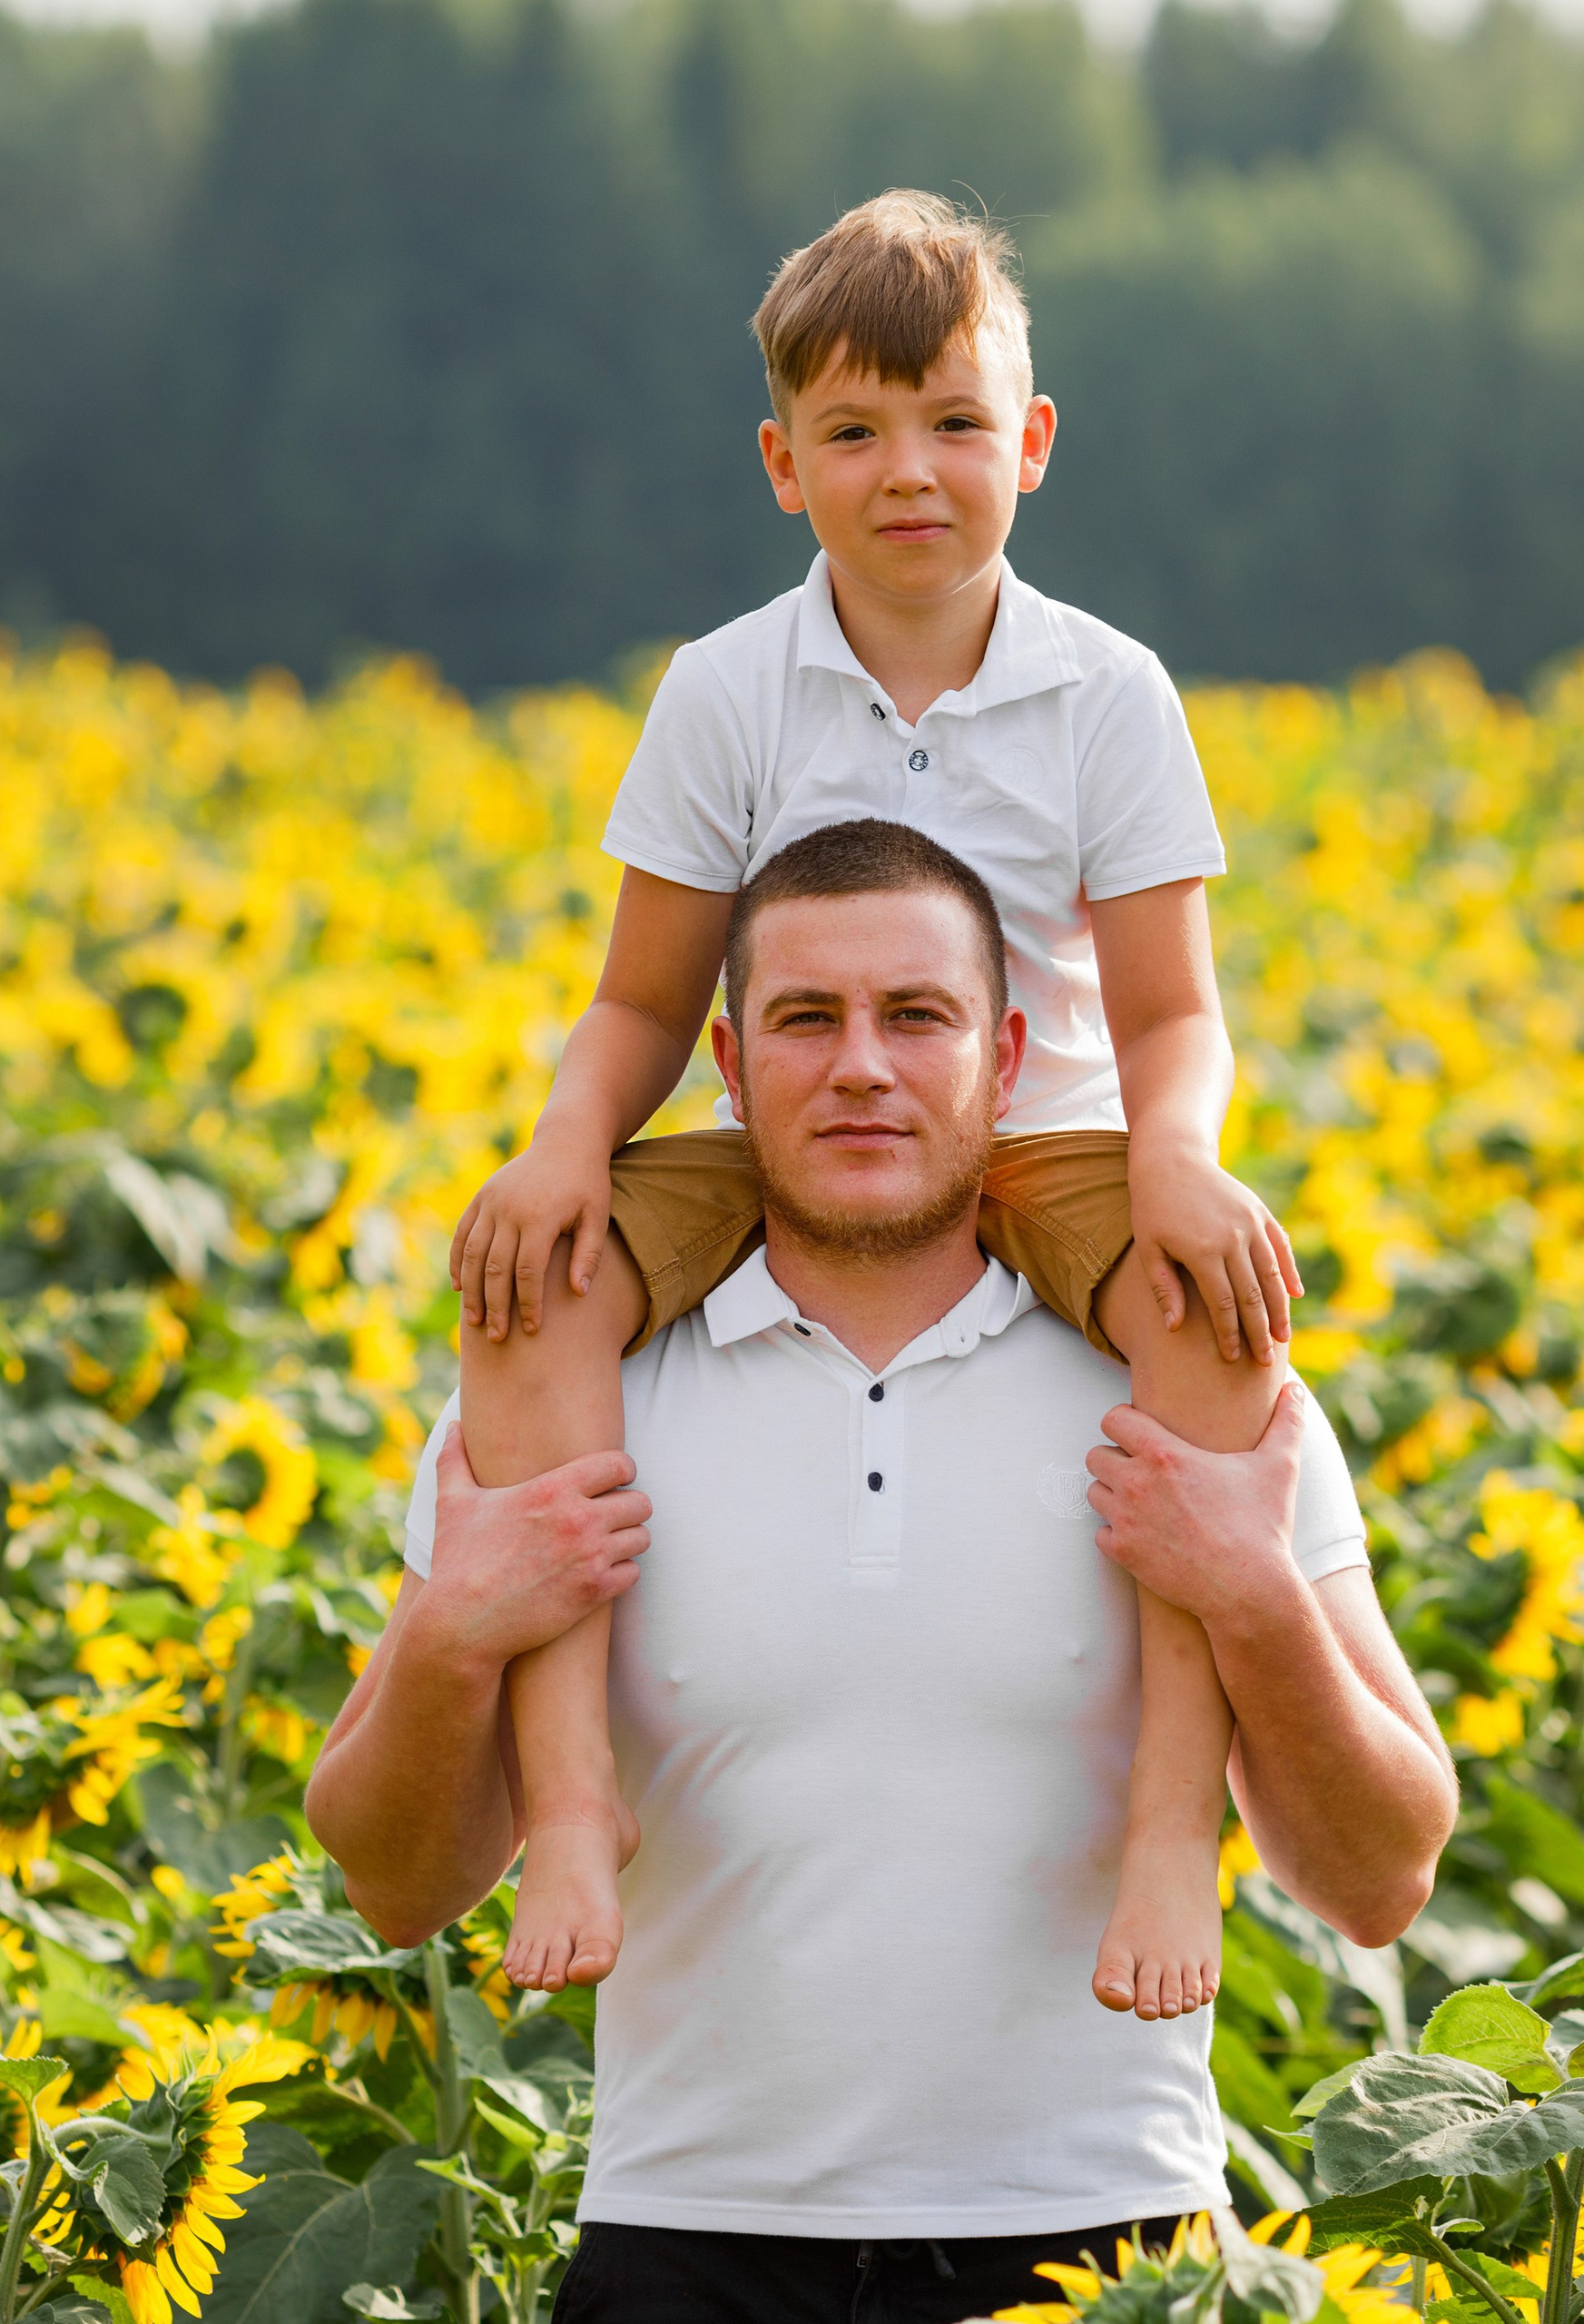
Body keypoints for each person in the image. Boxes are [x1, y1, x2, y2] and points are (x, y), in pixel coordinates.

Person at [306, 822, 1457, 2324]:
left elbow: (1384, 1879)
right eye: (807, 1019)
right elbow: (392, 1885)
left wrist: (1254, 1592)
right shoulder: (571, 1397)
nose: (861, 1066)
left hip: (1108, 2239)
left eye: (917, 1017)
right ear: (727, 1060)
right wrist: (455, 1631)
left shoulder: (1186, 1385)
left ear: (1009, 1053)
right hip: (683, 2243)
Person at [447, 189, 1304, 2014]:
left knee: (1210, 1320)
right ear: (780, 463)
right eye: (851, 430)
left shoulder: (1108, 693)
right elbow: (640, 997)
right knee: (531, 1283)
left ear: (1032, 444)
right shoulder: (723, 688)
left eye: (951, 423)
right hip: (779, 1148)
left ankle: (1168, 1820)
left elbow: (1168, 1013)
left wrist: (1176, 1162)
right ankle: (574, 1794)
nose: (906, 470)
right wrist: (556, 1148)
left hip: (1047, 1140)